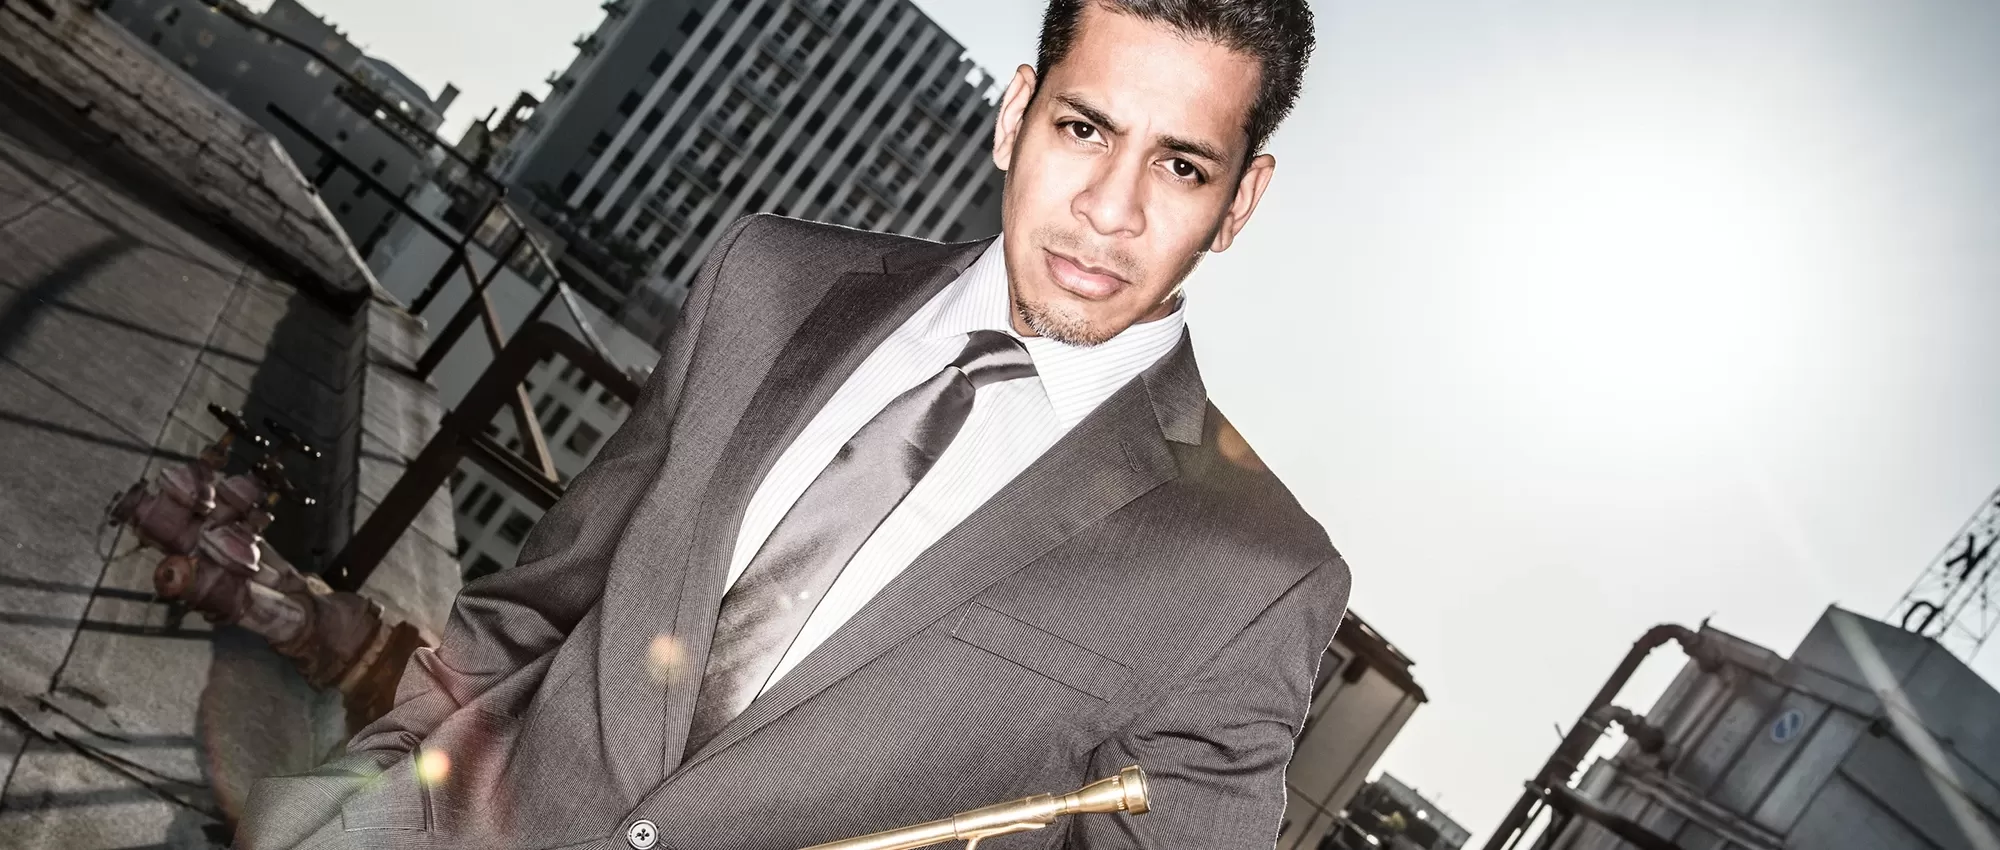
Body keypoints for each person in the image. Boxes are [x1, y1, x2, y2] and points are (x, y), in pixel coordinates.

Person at [241, 1, 1347, 847]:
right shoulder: (768, 279)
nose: (1109, 209)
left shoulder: (1252, 575)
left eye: (1180, 164)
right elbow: (539, 608)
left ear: (1237, 202)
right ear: (1016, 116)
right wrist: (351, 806)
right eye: (1083, 128)